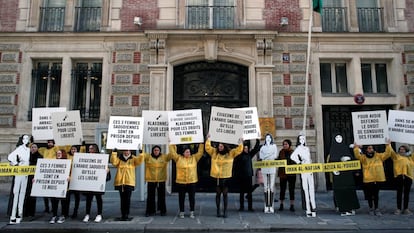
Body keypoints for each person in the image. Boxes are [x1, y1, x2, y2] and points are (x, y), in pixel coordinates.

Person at [205, 134, 243, 218]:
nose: (220, 147)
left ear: (225, 146)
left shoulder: (230, 153)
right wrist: (208, 139)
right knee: (218, 194)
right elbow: (207, 148)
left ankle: (225, 211)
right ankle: (218, 210)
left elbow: (239, 150)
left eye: (221, 146)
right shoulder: (214, 152)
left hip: (226, 177)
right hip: (217, 177)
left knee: (225, 194)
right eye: (219, 146)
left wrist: (240, 142)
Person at [353, 140, 391, 216]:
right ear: (366, 149)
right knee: (369, 195)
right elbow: (357, 155)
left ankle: (376, 208)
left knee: (376, 195)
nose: (370, 149)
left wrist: (388, 145)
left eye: (371, 148)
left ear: (373, 149)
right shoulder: (363, 158)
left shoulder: (379, 156)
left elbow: (387, 154)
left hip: (378, 178)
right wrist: (356, 147)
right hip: (368, 179)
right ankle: (371, 208)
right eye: (369, 148)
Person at [169, 143, 204, 218]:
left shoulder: (194, 158)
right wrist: (171, 143)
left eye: (189, 152)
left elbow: (200, 152)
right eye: (187, 152)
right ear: (183, 153)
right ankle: (182, 212)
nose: (188, 153)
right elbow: (172, 153)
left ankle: (192, 211)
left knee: (192, 197)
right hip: (181, 182)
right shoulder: (178, 158)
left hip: (192, 181)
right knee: (181, 198)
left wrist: (201, 143)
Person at [328, 134, 359, 216]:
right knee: (341, 191)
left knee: (349, 190)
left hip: (347, 174)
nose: (339, 139)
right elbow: (331, 162)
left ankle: (351, 207)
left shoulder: (346, 148)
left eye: (340, 137)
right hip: (339, 176)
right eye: (337, 137)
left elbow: (352, 158)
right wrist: (334, 169)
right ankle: (343, 208)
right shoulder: (333, 149)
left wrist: (349, 159)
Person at [111, 148, 144, 221]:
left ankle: (126, 214)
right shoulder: (119, 158)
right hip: (120, 182)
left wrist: (141, 153)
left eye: (128, 150)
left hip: (129, 182)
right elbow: (114, 163)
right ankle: (123, 214)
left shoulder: (133, 158)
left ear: (130, 151)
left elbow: (140, 161)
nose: (126, 152)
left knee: (128, 199)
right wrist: (114, 153)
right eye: (125, 150)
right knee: (122, 199)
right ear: (123, 151)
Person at [141, 145, 171, 217]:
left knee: (162, 196)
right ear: (152, 151)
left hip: (161, 179)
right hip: (151, 179)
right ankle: (150, 211)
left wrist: (172, 144)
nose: (156, 151)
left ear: (160, 151)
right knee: (150, 196)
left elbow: (171, 155)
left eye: (157, 150)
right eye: (155, 150)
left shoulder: (164, 157)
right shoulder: (148, 157)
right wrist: (141, 144)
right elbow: (142, 154)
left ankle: (162, 211)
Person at [291, 134, 316, 217]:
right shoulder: (298, 149)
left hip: (309, 168)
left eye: (304, 139)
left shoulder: (307, 148)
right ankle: (308, 209)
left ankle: (313, 207)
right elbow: (293, 156)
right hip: (303, 169)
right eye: (301, 139)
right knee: (306, 189)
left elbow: (309, 158)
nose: (302, 140)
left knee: (311, 188)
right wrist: (299, 162)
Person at [83, 144, 109, 223]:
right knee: (88, 199)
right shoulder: (86, 157)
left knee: (98, 199)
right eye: (89, 149)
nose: (90, 150)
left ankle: (99, 214)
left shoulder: (101, 157)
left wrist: (107, 171)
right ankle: (87, 214)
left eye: (91, 148)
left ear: (95, 149)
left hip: (97, 182)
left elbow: (104, 167)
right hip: (89, 182)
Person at [7, 134, 31, 224]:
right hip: (19, 172)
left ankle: (19, 214)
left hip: (26, 173)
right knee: (16, 193)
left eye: (27, 139)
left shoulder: (28, 150)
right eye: (24, 138)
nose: (25, 140)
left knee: (22, 194)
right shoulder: (20, 148)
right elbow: (10, 157)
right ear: (22, 140)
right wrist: (15, 163)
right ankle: (13, 215)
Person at [233, 139, 260, 212]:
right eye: (244, 148)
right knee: (241, 192)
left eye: (247, 148)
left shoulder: (249, 155)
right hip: (242, 176)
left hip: (248, 175)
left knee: (249, 192)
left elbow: (255, 149)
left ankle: (250, 207)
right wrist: (240, 143)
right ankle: (241, 207)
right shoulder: (239, 156)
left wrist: (257, 140)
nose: (246, 149)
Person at [390, 144, 413, 215]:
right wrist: (388, 144)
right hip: (399, 177)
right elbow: (390, 151)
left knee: (407, 194)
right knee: (399, 193)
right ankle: (398, 209)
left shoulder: (410, 158)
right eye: (400, 149)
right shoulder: (396, 157)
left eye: (403, 149)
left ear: (406, 150)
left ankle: (406, 209)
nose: (401, 150)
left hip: (408, 177)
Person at [49, 149, 70, 224]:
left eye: (60, 153)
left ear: (63, 154)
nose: (58, 154)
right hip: (54, 185)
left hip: (63, 185)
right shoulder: (52, 162)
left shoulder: (67, 163)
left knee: (63, 202)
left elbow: (70, 172)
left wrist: (69, 177)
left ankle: (62, 216)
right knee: (54, 201)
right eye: (57, 153)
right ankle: (54, 215)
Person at [259, 133, 278, 213]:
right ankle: (266, 206)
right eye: (267, 138)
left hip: (272, 167)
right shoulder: (262, 147)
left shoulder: (274, 146)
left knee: (271, 187)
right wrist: (268, 156)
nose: (268, 139)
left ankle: (271, 205)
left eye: (269, 138)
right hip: (264, 167)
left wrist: (267, 156)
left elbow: (275, 155)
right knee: (266, 187)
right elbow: (261, 156)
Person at [277, 139, 297, 212]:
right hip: (283, 173)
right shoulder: (281, 152)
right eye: (284, 144)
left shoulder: (293, 152)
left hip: (291, 174)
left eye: (286, 144)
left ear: (289, 145)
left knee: (291, 189)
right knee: (282, 189)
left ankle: (292, 205)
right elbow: (278, 160)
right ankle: (281, 204)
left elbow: (295, 162)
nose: (285, 145)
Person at [66, 144, 85, 219]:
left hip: (77, 179)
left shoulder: (79, 156)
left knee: (77, 197)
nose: (73, 150)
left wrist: (82, 145)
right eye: (72, 149)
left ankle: (75, 212)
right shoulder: (68, 156)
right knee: (67, 197)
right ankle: (66, 212)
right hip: (68, 179)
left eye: (75, 149)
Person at [23, 143, 42, 218]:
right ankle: (25, 212)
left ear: (37, 148)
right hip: (26, 177)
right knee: (26, 195)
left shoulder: (40, 157)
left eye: (35, 147)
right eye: (32, 147)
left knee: (32, 196)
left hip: (34, 178)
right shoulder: (26, 156)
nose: (33, 148)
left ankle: (31, 212)